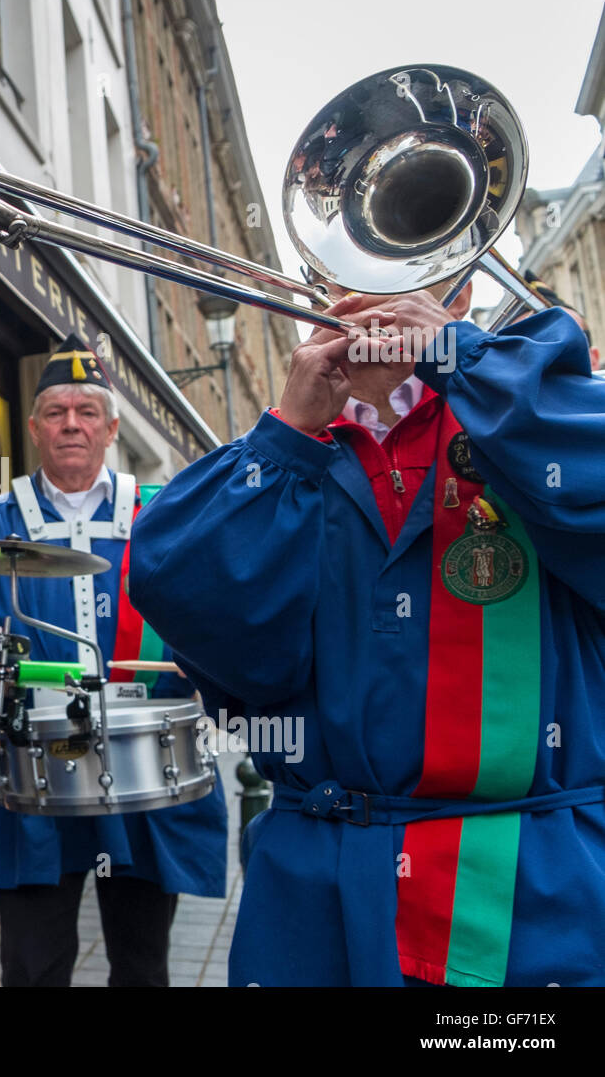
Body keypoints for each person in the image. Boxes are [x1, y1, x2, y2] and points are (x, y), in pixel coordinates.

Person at [129, 279, 605, 986]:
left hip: (526, 902)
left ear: (464, 284)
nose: (374, 286)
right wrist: (287, 432)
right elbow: (182, 594)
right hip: (314, 899)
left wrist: (461, 358)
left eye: (407, 262)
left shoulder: (533, 414)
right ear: (318, 289)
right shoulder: (277, 456)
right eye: (346, 270)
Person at [0, 335, 226, 988]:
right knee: (31, 964)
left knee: (143, 964)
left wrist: (207, 658)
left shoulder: (160, 514)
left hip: (139, 771)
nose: (71, 423)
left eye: (86, 410)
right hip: (35, 767)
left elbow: (219, 607)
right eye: (56, 411)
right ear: (33, 427)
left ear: (111, 426)